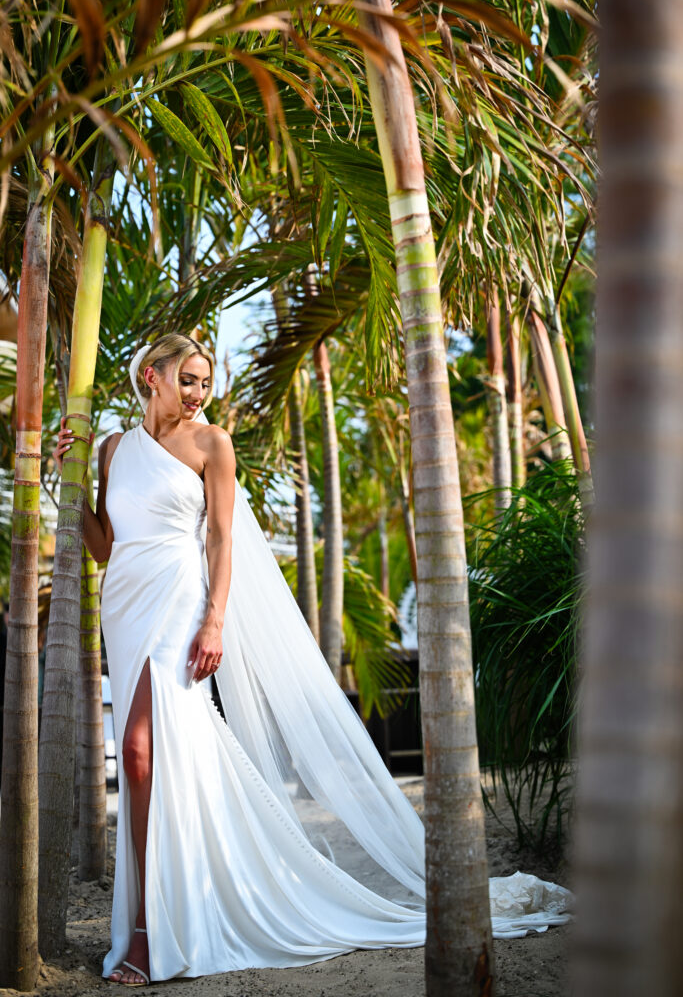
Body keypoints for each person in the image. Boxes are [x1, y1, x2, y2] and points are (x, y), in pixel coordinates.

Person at [53, 333, 571, 987]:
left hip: (181, 602)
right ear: (150, 376)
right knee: (156, 759)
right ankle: (171, 909)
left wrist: (215, 617)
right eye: (186, 379)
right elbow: (104, 545)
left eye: (204, 382)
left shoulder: (212, 445)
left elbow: (218, 537)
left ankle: (151, 932)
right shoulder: (111, 450)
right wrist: (68, 486)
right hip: (125, 603)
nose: (197, 393)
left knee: (136, 750)